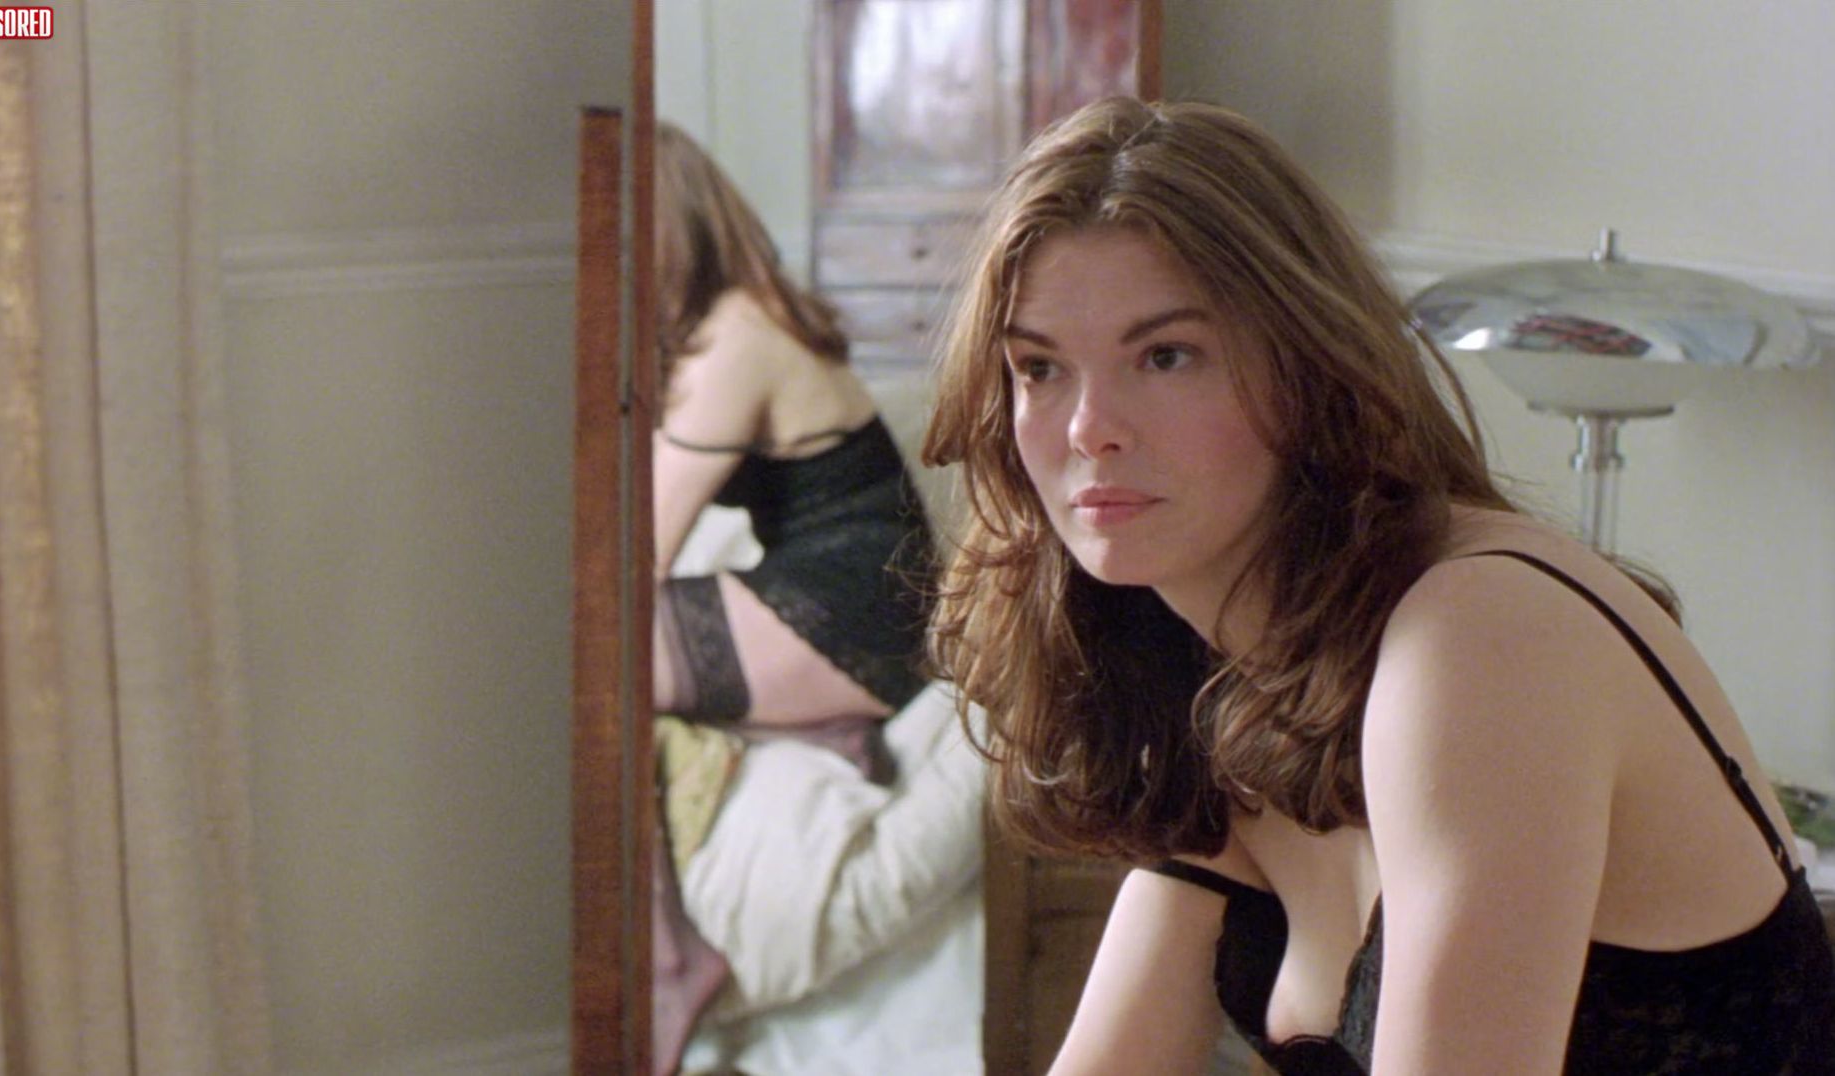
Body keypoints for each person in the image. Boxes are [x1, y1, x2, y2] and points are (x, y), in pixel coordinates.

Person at [920, 96, 1835, 1074]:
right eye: (1039, 368)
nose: (1087, 428)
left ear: (1306, 368)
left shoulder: (1480, 634)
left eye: (1165, 355)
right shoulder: (1208, 660)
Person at [648, 121, 940, 1074]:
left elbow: (635, 550)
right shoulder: (737, 318)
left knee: (601, 656)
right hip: (835, 592)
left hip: (859, 610)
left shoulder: (738, 334)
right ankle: (816, 727)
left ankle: (668, 960)